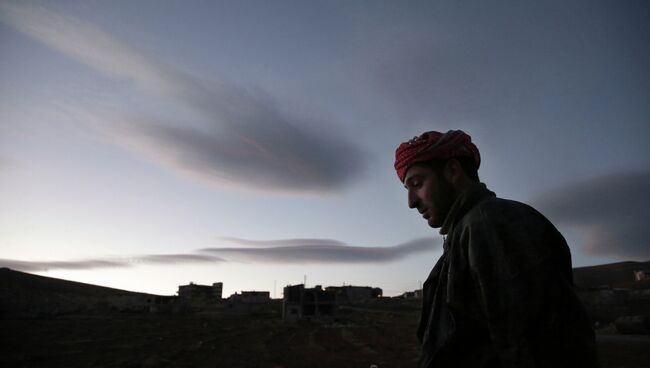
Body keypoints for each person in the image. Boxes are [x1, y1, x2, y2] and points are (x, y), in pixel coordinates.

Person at [394, 130, 599, 368]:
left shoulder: (492, 223)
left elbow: (536, 348)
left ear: (452, 171)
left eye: (417, 184)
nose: (411, 202)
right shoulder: (465, 233)